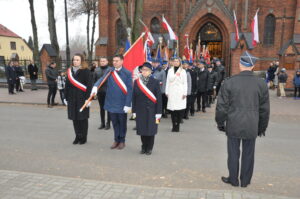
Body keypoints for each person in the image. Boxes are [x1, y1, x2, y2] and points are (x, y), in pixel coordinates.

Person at [215, 51, 270, 188]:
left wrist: (220, 122)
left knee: (233, 152)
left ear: (240, 65)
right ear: (252, 67)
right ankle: (245, 181)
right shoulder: (261, 84)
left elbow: (222, 106)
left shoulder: (229, 82)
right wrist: (262, 127)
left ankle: (233, 179)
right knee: (249, 153)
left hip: (234, 122)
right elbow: (264, 110)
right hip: (252, 123)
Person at [91, 54, 133, 150]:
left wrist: (128, 104)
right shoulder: (109, 71)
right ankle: (116, 140)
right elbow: (101, 79)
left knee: (122, 123)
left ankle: (122, 141)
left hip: (122, 103)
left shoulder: (127, 73)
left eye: (117, 61)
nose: (114, 62)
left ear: (122, 61)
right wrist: (95, 86)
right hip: (111, 102)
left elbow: (130, 90)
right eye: (113, 60)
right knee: (114, 123)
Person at [132, 62, 162, 155]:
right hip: (140, 110)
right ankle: (143, 146)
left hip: (152, 111)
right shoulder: (137, 82)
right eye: (143, 70)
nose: (144, 71)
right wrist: (134, 111)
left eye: (146, 70)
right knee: (142, 130)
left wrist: (158, 112)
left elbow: (159, 98)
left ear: (151, 71)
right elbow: (134, 97)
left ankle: (149, 148)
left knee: (151, 130)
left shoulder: (155, 82)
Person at [65, 53, 93, 145]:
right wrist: (65, 97)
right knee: (75, 119)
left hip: (82, 98)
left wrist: (88, 99)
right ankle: (77, 136)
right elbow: (67, 85)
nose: (75, 61)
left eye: (77, 60)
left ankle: (83, 137)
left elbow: (89, 86)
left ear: (81, 61)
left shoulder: (86, 71)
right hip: (72, 98)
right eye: (74, 60)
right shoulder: (69, 71)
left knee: (82, 119)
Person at [165, 57, 187, 132]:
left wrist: (185, 93)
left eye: (177, 61)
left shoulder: (183, 71)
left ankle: (178, 124)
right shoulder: (170, 70)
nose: (175, 62)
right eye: (174, 61)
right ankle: (174, 125)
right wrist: (167, 92)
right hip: (172, 91)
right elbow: (168, 81)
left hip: (180, 91)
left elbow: (185, 83)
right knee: (173, 110)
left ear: (180, 62)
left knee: (179, 109)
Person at [94, 57, 112, 130]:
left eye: (104, 61)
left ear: (107, 61)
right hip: (100, 92)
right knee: (102, 108)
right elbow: (94, 81)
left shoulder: (110, 70)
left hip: (108, 92)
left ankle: (108, 123)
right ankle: (102, 123)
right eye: (101, 61)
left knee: (108, 108)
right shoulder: (96, 70)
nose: (102, 62)